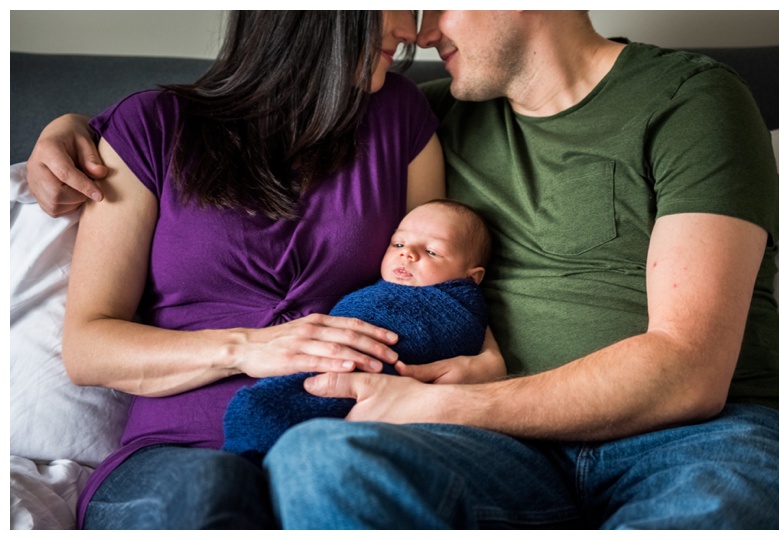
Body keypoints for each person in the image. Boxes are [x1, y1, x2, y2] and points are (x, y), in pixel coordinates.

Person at [25, 10, 779, 530]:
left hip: (684, 437)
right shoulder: (436, 109)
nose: (420, 29)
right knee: (307, 466)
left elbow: (689, 369)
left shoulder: (689, 99)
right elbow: (247, 113)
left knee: (716, 508)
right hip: (480, 452)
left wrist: (455, 397)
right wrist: (70, 130)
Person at [26, 10, 502, 530]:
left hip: (340, 440)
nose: (413, 33)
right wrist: (248, 348)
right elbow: (88, 349)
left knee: (321, 478)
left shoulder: (400, 117)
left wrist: (487, 362)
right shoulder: (151, 126)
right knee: (215, 489)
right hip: (175, 456)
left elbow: (438, 275)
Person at [223, 198, 502, 458]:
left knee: (260, 411)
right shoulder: (378, 288)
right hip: (328, 364)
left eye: (431, 251)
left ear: (471, 278)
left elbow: (462, 331)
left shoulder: (455, 306)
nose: (408, 254)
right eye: (398, 244)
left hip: (373, 383)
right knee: (256, 410)